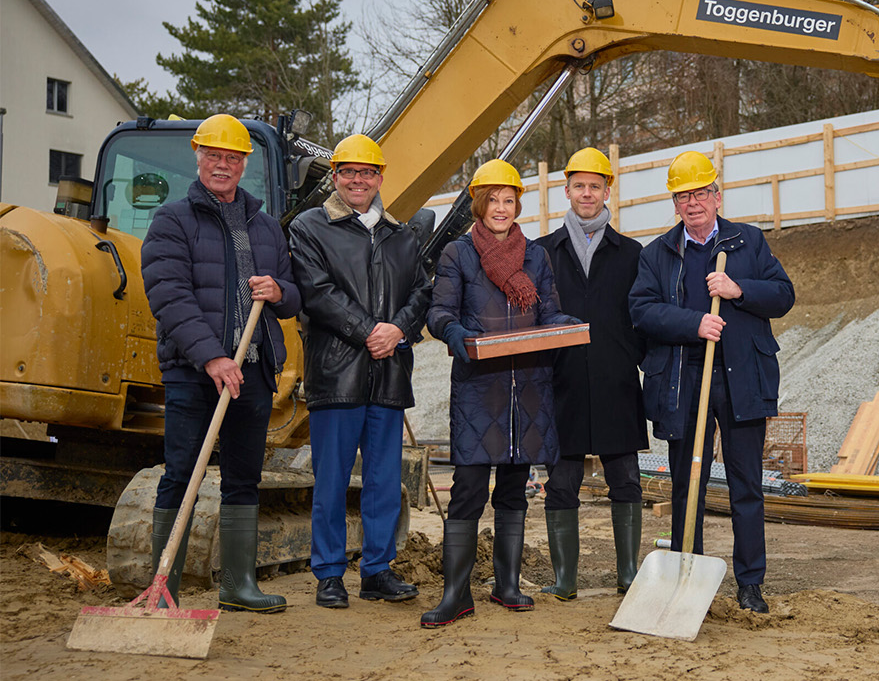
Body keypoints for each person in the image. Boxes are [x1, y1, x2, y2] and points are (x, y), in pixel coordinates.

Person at [140, 113, 302, 613]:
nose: (222, 166)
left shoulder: (265, 226)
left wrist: (278, 291)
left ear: (244, 165)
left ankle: (238, 585)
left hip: (252, 371)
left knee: (243, 477)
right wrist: (211, 356)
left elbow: (294, 295)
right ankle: (163, 590)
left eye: (232, 158)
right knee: (182, 472)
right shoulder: (173, 220)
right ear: (198, 156)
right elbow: (168, 294)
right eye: (214, 156)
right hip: (194, 374)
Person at [629, 150, 794, 614]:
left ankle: (750, 584)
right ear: (675, 203)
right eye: (684, 195)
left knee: (747, 486)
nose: (693, 202)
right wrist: (694, 323)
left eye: (701, 192)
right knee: (688, 485)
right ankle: (687, 572)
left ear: (716, 196)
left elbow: (784, 295)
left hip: (742, 380)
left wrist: (739, 291)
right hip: (685, 382)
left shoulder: (749, 243)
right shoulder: (658, 253)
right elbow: (641, 310)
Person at [421, 159, 579, 627]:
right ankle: (456, 594)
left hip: (528, 389)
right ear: (479, 203)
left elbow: (548, 313)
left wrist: (567, 326)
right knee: (468, 489)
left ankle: (506, 585)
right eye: (493, 200)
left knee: (514, 488)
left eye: (509, 201)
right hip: (479, 389)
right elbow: (439, 312)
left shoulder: (536, 256)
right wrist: (456, 335)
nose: (502, 209)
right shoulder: (458, 254)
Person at [288, 134, 432, 609]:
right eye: (348, 171)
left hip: (387, 375)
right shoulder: (310, 227)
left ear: (380, 178)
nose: (357, 180)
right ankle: (329, 573)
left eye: (366, 172)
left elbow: (420, 294)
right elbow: (317, 291)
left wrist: (398, 331)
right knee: (330, 480)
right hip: (337, 374)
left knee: (384, 482)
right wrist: (370, 331)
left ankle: (376, 570)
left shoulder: (401, 236)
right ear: (335, 177)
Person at [538, 148, 646, 600]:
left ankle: (628, 576)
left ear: (608, 192)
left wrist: (629, 357)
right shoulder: (542, 252)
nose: (587, 193)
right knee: (562, 483)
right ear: (566, 191)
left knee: (626, 480)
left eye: (595, 186)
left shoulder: (633, 254)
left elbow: (643, 315)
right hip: (560, 385)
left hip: (615, 381)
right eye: (579, 186)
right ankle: (565, 580)